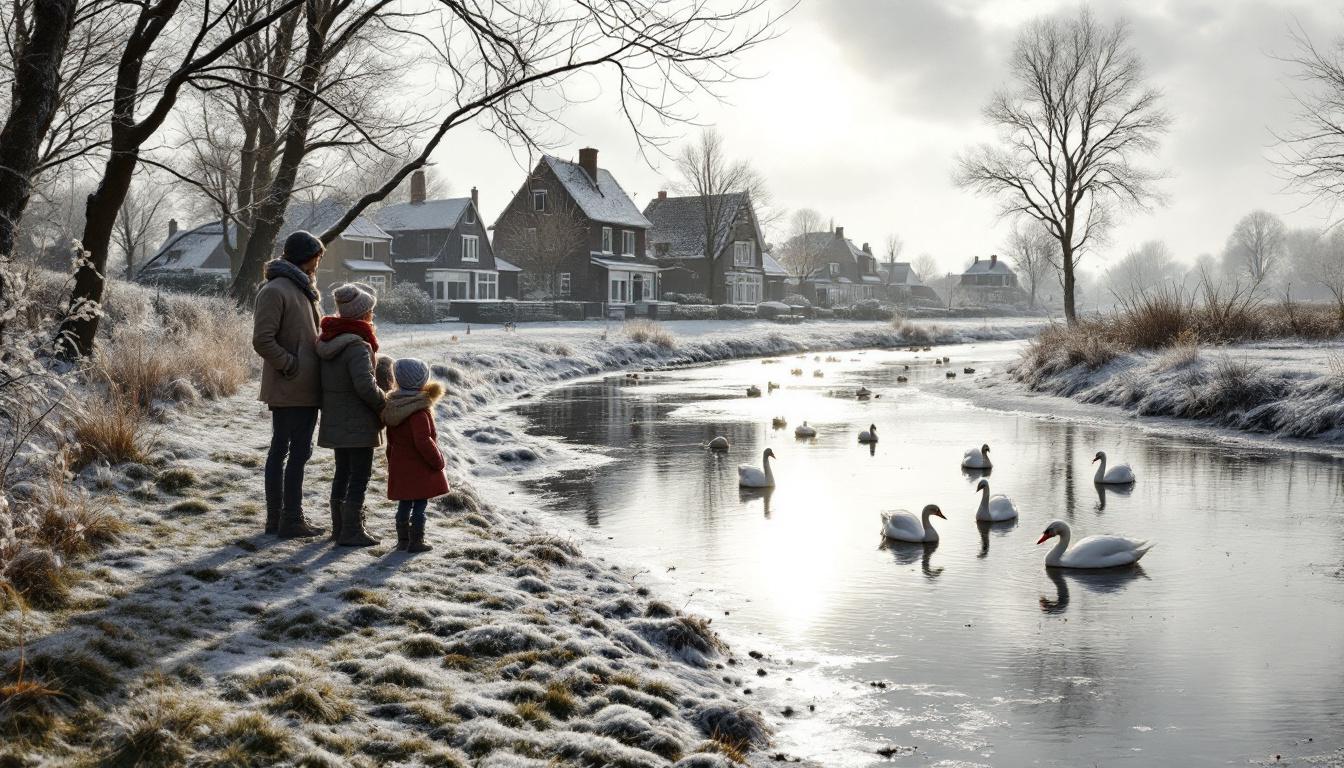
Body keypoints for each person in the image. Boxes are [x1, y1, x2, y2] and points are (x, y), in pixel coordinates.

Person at [252, 231, 325, 538]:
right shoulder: (276, 290)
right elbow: (262, 340)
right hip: (291, 386)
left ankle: (281, 519)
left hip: (303, 387)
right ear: (305, 256)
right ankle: (288, 519)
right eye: (317, 256)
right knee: (290, 451)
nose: (319, 262)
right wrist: (291, 365)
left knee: (292, 451)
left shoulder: (301, 288)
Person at [316, 283, 389, 547]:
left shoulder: (329, 340)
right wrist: (384, 404)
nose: (373, 316)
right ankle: (352, 530)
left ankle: (339, 527)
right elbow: (365, 386)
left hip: (336, 418)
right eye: (370, 311)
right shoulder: (356, 345)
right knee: (359, 475)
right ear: (363, 315)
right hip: (357, 420)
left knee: (343, 472)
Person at [382, 358, 449, 553]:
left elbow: (391, 440)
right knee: (419, 504)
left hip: (401, 465)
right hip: (419, 468)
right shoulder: (418, 411)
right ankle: (416, 541)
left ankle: (403, 539)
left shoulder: (395, 406)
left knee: (404, 503)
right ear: (421, 382)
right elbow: (423, 441)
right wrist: (438, 461)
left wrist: (391, 460)